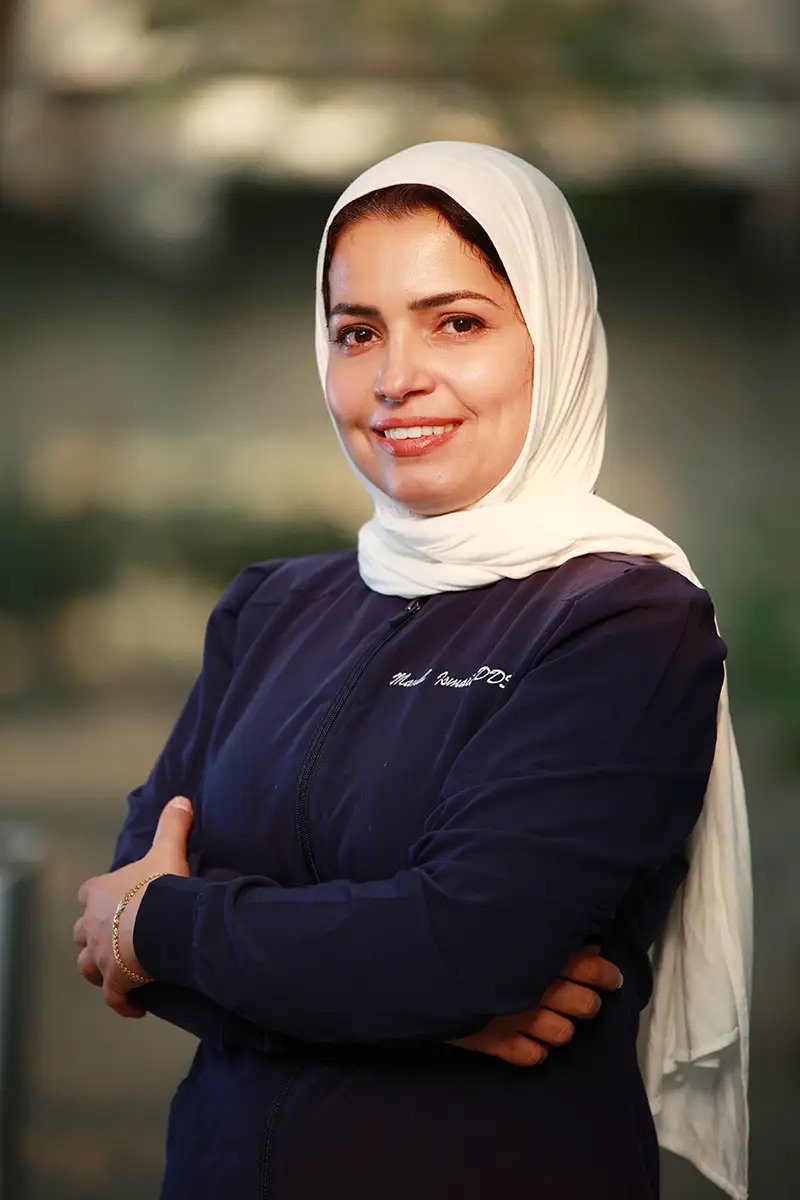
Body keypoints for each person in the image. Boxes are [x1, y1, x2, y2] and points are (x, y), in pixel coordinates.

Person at [74, 141, 751, 1200]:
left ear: (555, 337)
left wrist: (161, 928)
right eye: (357, 332)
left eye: (457, 323)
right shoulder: (271, 607)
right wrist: (419, 1010)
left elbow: (465, 947)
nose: (396, 378)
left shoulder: (624, 623)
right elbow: (107, 921)